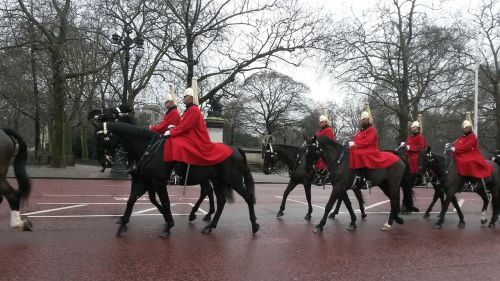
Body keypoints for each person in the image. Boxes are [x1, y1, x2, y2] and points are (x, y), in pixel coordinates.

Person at [163, 88, 233, 182]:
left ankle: (178, 174)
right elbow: (182, 125)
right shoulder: (188, 110)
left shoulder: (194, 110)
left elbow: (185, 127)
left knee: (177, 144)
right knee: (173, 141)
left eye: (185, 97)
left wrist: (171, 132)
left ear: (191, 98)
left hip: (197, 138)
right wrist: (173, 128)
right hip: (190, 136)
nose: (183, 98)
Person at [349, 111, 399, 189]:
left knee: (361, 154)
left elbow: (368, 141)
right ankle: (355, 174)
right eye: (362, 119)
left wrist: (355, 144)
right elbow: (356, 139)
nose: (363, 120)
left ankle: (368, 180)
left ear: (368, 119)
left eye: (364, 119)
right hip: (361, 148)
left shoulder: (371, 129)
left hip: (370, 149)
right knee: (351, 152)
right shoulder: (360, 131)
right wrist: (351, 142)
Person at [451, 119, 492, 188]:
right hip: (462, 152)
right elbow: (458, 143)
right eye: (464, 128)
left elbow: (467, 146)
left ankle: (471, 180)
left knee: (468, 161)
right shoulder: (463, 136)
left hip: (471, 153)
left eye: (466, 127)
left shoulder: (472, 136)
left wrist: (456, 149)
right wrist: (452, 146)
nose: (464, 129)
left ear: (469, 128)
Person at [401, 121, 427, 212]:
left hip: (416, 156)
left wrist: (410, 148)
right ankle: (408, 204)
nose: (413, 129)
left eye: (414, 127)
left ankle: (417, 175)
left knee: (412, 160)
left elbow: (421, 148)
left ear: (418, 128)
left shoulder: (420, 137)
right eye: (412, 127)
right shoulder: (409, 137)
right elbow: (406, 147)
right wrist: (404, 146)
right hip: (408, 155)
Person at [313, 115, 336, 185]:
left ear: (326, 122)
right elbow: (315, 137)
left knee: (321, 158)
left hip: (327, 149)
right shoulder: (320, 131)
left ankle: (322, 175)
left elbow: (327, 141)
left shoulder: (328, 130)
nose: (320, 123)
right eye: (320, 122)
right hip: (320, 148)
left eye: (322, 122)